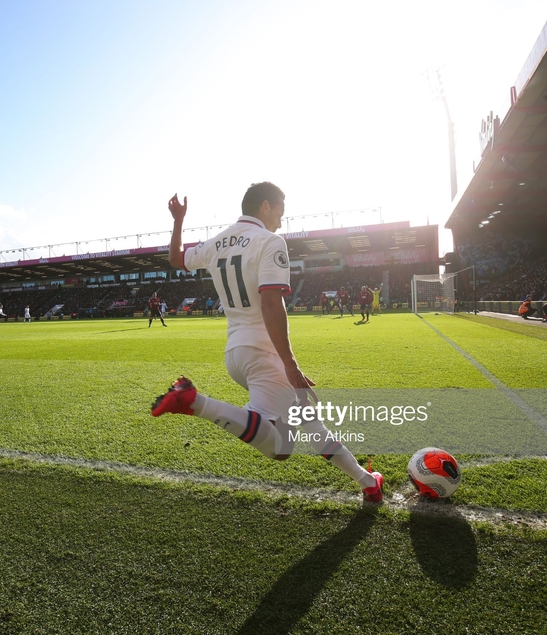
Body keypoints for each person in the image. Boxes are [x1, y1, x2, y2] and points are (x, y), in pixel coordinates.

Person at [151, 183, 383, 503]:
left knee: (292, 436)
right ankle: (195, 402)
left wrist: (178, 220)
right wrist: (291, 364)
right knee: (296, 435)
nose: (280, 221)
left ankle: (367, 481)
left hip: (235, 352)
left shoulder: (219, 240)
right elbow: (271, 303)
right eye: (279, 213)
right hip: (263, 354)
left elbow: (176, 258)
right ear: (265, 207)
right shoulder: (269, 241)